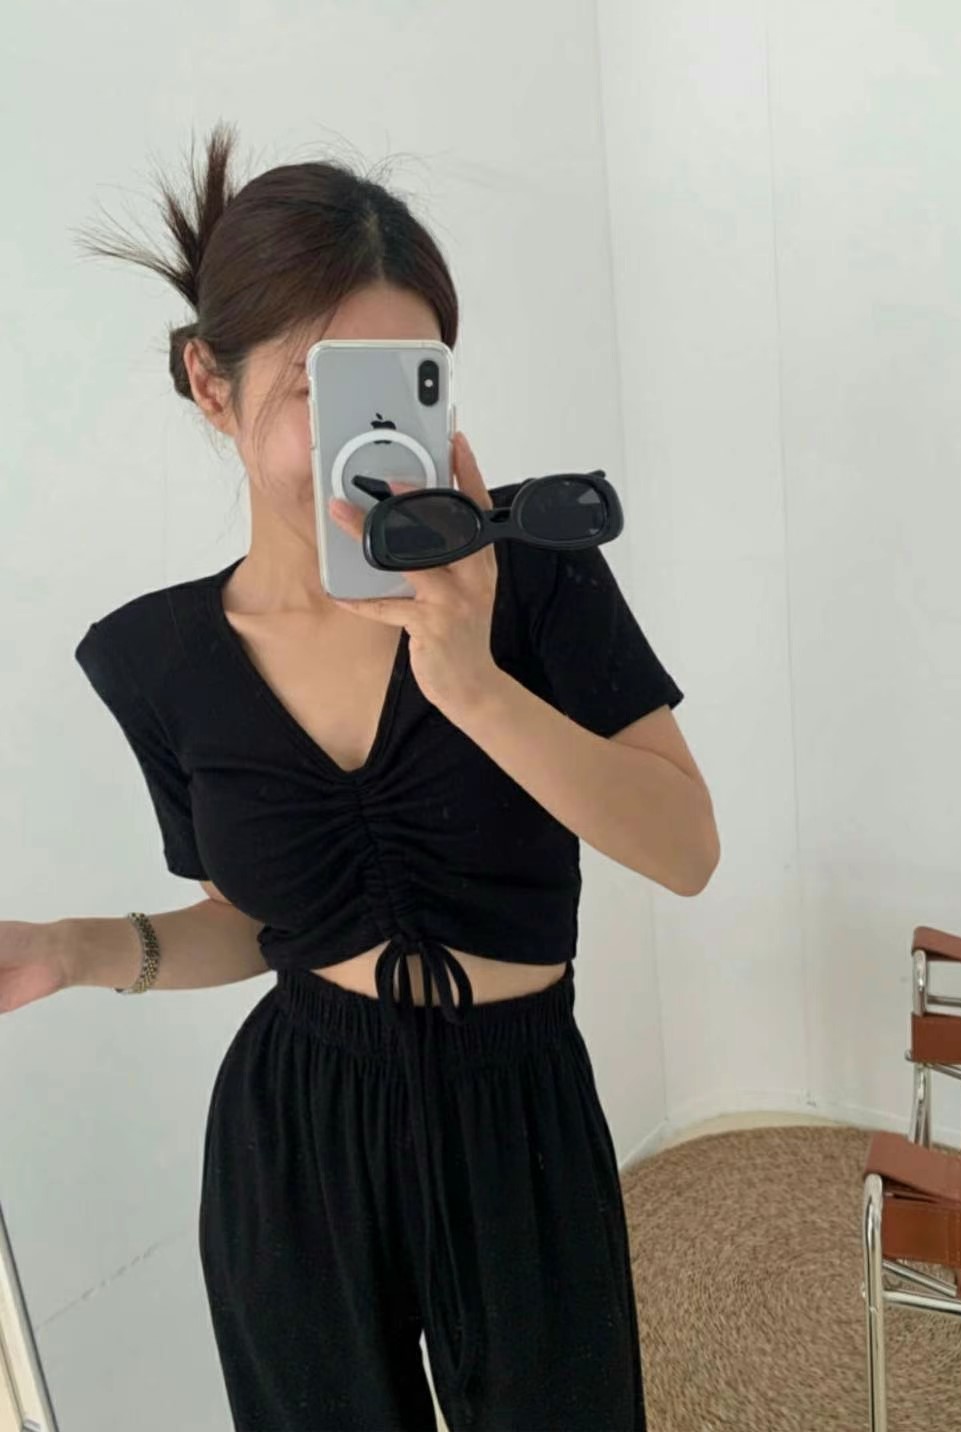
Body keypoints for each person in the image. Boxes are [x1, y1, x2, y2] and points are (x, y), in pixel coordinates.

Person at [3, 122, 721, 1431]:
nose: (370, 442)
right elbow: (260, 922)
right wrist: (76, 949)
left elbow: (687, 850)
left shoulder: (534, 573)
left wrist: (475, 684)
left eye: (406, 386)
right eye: (316, 393)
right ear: (211, 385)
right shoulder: (154, 659)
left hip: (521, 1117)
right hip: (297, 1138)